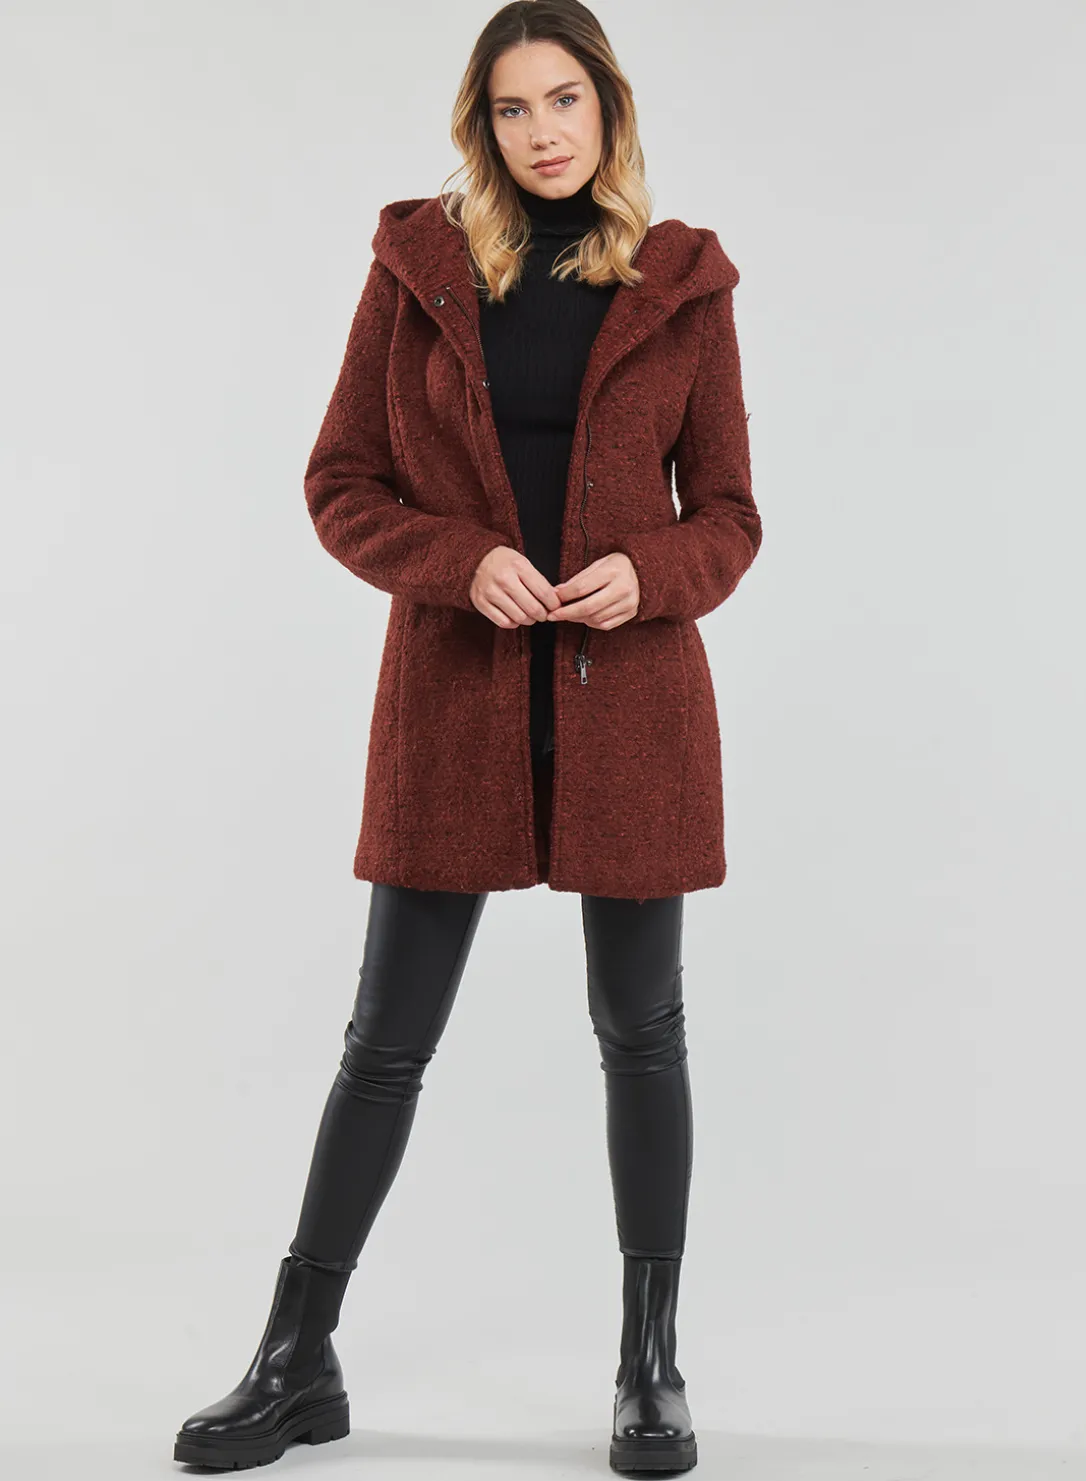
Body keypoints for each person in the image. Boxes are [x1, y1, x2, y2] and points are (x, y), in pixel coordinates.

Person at [173, 2, 761, 1474]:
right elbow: (341, 482)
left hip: (631, 714)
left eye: (565, 99)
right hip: (455, 705)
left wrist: (650, 574)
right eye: (512, 107)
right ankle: (295, 1357)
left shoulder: (685, 281)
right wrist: (459, 559)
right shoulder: (419, 268)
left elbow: (730, 516)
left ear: (609, 109)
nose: (542, 130)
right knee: (386, 1041)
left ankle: (649, 1366)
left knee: (643, 1036)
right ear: (480, 125)